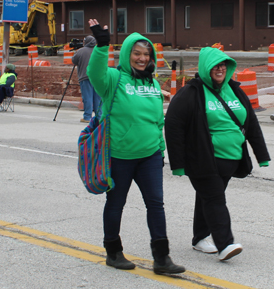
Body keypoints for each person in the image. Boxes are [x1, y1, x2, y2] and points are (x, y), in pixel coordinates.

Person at [86, 19, 185, 274]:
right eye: (137, 54)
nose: (142, 58)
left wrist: (160, 149)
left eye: (146, 54)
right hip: (120, 156)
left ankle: (162, 258)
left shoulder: (152, 82)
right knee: (116, 203)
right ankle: (113, 251)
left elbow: (156, 119)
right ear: (128, 54)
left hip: (150, 156)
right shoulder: (113, 79)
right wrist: (102, 45)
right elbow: (95, 72)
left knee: (156, 205)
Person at [165, 47, 270, 261]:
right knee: (215, 199)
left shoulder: (235, 90)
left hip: (230, 159)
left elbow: (251, 123)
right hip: (203, 158)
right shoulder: (191, 92)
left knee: (207, 197)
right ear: (206, 67)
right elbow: (174, 126)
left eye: (223, 64)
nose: (220, 68)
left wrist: (262, 155)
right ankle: (225, 244)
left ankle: (199, 239)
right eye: (215, 65)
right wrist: (177, 163)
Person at [72, 35, 101, 123]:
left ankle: (87, 117)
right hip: (97, 78)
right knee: (98, 98)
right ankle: (99, 117)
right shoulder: (98, 51)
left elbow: (74, 60)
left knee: (87, 97)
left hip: (85, 77)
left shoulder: (81, 51)